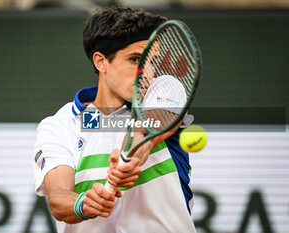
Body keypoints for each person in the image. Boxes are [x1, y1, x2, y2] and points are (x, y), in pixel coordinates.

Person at [33, 6, 196, 233]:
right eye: (135, 59)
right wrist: (84, 204)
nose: (147, 73)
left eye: (152, 61)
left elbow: (147, 131)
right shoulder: (58, 125)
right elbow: (59, 199)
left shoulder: (166, 89)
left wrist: (130, 155)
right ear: (101, 62)